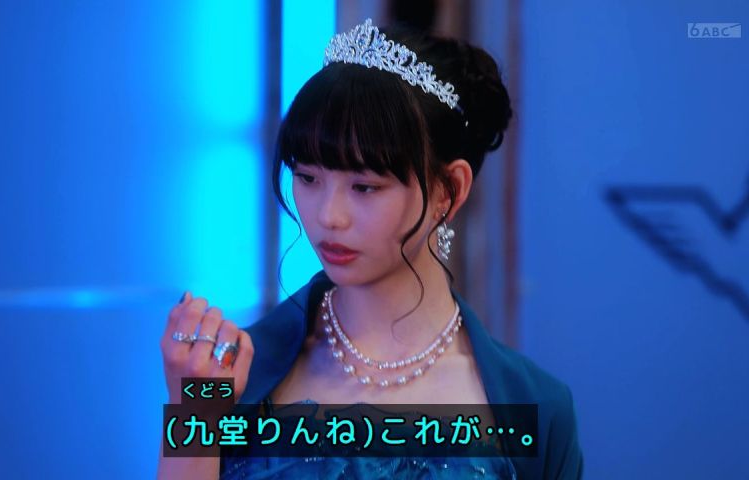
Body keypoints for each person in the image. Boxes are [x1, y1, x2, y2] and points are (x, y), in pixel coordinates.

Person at [158, 18, 584, 479]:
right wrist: (194, 411)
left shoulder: (535, 406)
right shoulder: (235, 370)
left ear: (449, 191)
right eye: (308, 178)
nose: (328, 216)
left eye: (364, 187)